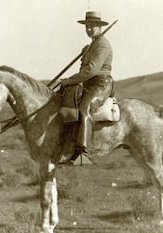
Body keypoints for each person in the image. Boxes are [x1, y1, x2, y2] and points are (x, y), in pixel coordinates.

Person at [60, 11, 114, 161]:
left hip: (100, 84)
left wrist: (70, 80)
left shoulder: (102, 45)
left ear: (99, 27)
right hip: (88, 83)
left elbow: (91, 70)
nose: (89, 29)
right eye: (87, 26)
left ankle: (84, 153)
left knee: (84, 109)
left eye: (92, 26)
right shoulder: (92, 45)